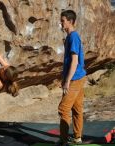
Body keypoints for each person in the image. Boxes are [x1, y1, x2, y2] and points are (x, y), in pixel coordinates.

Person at [57, 10, 86, 146]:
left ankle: (63, 141)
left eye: (63, 20)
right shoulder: (69, 37)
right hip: (78, 77)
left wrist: (67, 81)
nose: (61, 23)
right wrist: (64, 78)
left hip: (75, 79)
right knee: (77, 109)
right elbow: (69, 61)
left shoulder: (74, 37)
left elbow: (74, 61)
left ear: (71, 21)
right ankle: (77, 138)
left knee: (63, 109)